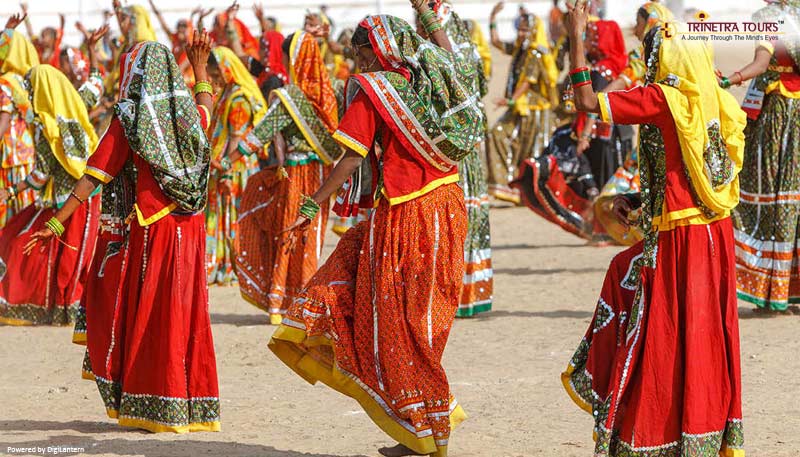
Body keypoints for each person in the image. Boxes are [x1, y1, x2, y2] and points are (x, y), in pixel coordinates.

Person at [268, 3, 484, 455]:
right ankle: (424, 423)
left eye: (359, 53)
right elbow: (452, 59)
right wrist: (429, 19)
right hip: (448, 207)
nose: (356, 62)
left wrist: (313, 203)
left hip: (407, 217)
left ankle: (425, 426)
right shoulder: (432, 80)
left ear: (377, 51)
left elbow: (351, 156)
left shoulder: (372, 91)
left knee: (396, 323)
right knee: (419, 322)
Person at [560, 3, 745, 456]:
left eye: (655, 54)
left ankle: (652, 428)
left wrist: (574, 36)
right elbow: (693, 173)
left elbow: (586, 101)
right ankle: (699, 432)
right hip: (711, 234)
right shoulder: (710, 102)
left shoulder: (665, 99)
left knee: (662, 328)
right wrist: (644, 203)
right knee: (698, 338)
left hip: (680, 240)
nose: (651, 65)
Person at [26, 34, 220, 433]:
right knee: (184, 314)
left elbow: (96, 172)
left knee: (151, 316)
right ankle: (184, 406)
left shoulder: (132, 119)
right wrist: (199, 67)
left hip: (154, 229)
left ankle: (151, 405)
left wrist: (57, 221)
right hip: (190, 227)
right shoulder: (186, 117)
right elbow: (205, 107)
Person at [235, 30, 341, 324]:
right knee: (310, 237)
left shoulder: (287, 98)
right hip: (322, 175)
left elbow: (260, 134)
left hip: (295, 174)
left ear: (293, 59)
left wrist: (224, 160)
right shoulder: (329, 95)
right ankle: (301, 302)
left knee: (288, 230)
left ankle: (279, 303)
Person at [0, 35, 105, 326]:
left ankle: (62, 308)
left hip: (65, 201)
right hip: (92, 193)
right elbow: (95, 85)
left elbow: (40, 174)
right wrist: (93, 51)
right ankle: (72, 307)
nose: (30, 95)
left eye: (32, 89)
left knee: (33, 245)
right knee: (77, 255)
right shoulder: (77, 103)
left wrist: (10, 191)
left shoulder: (48, 126)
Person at [726, 0, 800, 314]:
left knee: (762, 192)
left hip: (775, 115)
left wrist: (728, 80)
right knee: (792, 196)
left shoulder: (768, 17)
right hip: (796, 111)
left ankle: (771, 290)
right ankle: (789, 288)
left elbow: (760, 64)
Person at [433, 2, 493, 317]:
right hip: (466, 152)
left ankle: (452, 294)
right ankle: (466, 293)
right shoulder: (468, 57)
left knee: (454, 219)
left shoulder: (449, 62)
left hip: (454, 152)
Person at [486, 3, 559, 203]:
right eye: (519, 29)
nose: (520, 33)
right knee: (498, 134)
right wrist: (492, 18)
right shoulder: (520, 49)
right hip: (520, 107)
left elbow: (527, 81)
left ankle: (528, 194)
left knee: (529, 152)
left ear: (533, 31)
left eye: (525, 30)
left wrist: (509, 100)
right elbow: (496, 42)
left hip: (535, 111)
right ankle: (506, 186)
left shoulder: (536, 53)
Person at [205, 46, 266, 285]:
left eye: (217, 75)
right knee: (223, 215)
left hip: (236, 167)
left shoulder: (239, 98)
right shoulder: (227, 93)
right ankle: (222, 264)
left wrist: (226, 167)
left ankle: (233, 266)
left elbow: (237, 138)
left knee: (234, 216)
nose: (215, 80)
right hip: (222, 164)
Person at [0, 14, 39, 228]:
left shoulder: (4, 82)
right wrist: (8, 30)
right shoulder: (24, 81)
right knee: (26, 209)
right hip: (27, 153)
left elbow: (4, 120)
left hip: (9, 155)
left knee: (9, 211)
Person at [148, 0, 195, 84]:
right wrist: (152, 5)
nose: (181, 29)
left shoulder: (190, 45)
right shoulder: (175, 39)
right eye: (179, 27)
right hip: (176, 78)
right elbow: (163, 24)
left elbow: (183, 66)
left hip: (188, 81)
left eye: (184, 27)